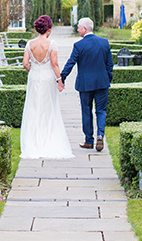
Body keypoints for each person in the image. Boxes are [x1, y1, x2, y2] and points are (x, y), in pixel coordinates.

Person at [19, 15, 74, 159]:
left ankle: (33, 141)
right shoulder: (52, 44)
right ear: (48, 29)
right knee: (48, 108)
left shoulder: (30, 43)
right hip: (48, 78)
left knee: (33, 107)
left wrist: (34, 70)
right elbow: (54, 65)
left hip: (34, 77)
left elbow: (25, 63)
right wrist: (60, 81)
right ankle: (48, 139)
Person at [60, 17, 113, 152]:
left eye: (78, 27)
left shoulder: (79, 45)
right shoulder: (104, 43)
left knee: (86, 111)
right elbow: (109, 65)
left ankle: (89, 140)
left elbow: (70, 63)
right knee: (101, 111)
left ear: (84, 29)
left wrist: (62, 78)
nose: (77, 30)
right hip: (102, 83)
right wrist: (108, 79)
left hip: (85, 84)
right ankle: (100, 134)